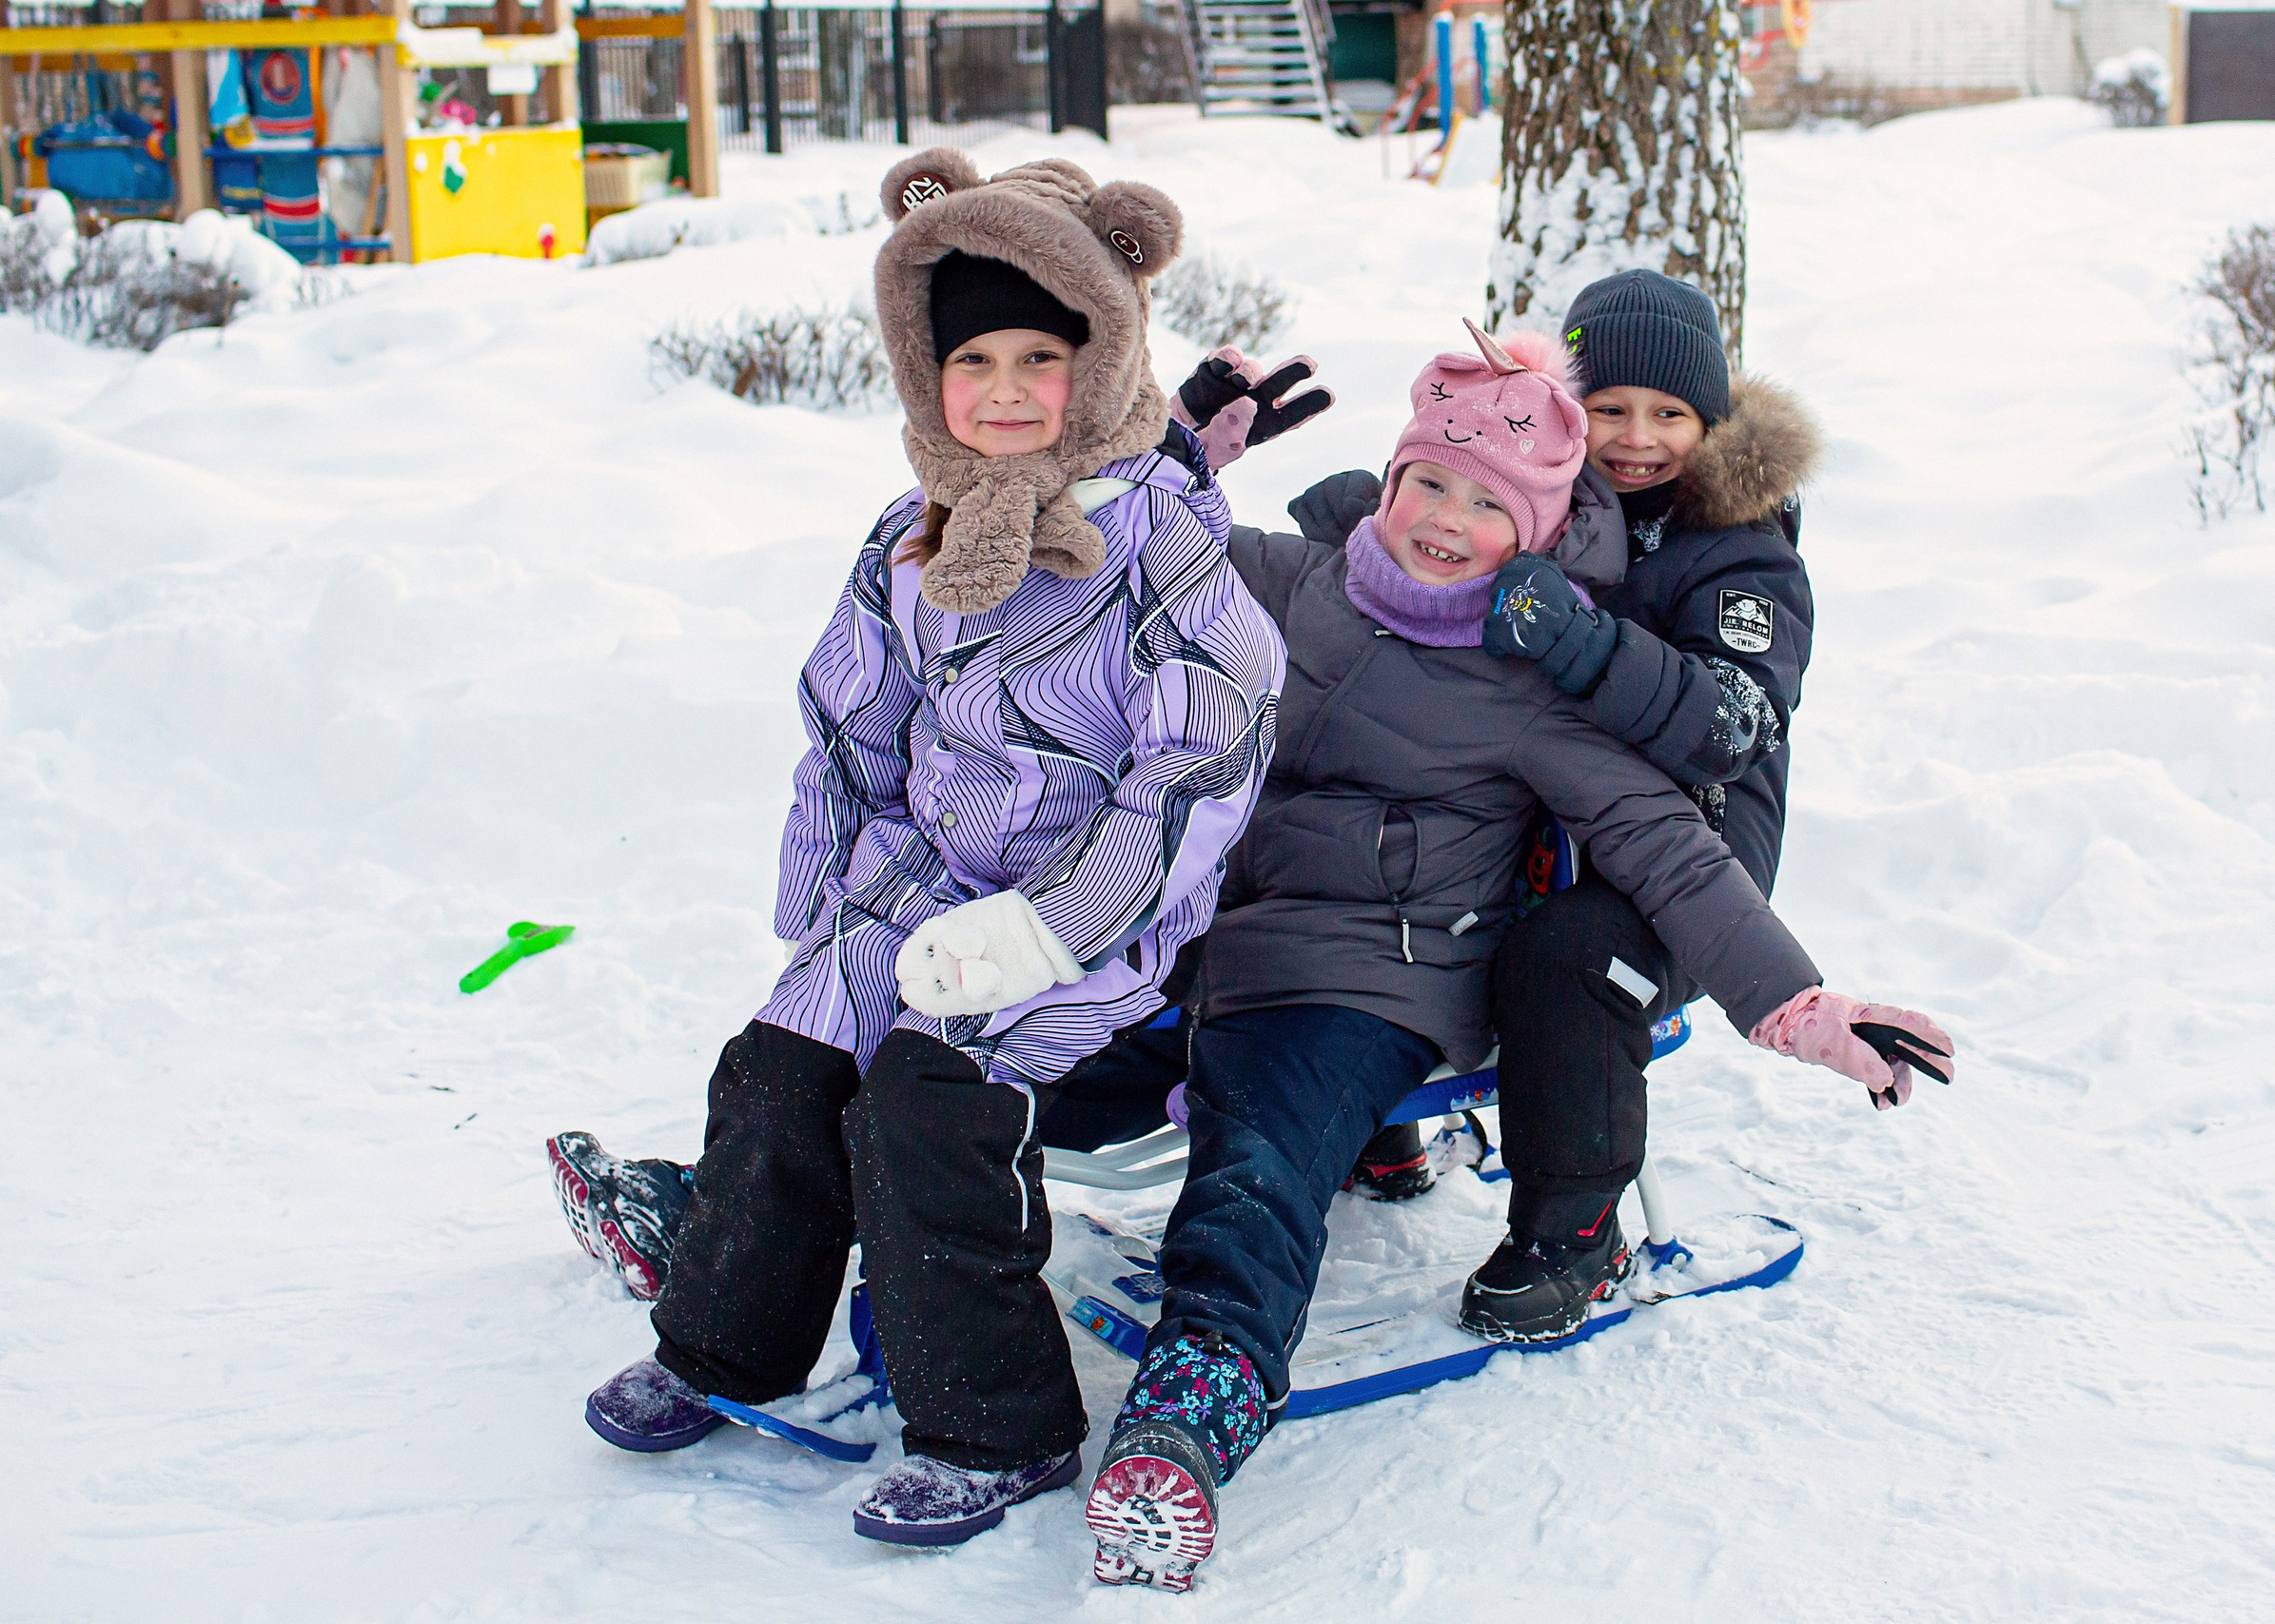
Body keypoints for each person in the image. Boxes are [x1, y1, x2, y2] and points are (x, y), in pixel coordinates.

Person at [1078, 321, 1953, 1593]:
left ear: (1536, 533)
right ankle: (762, 1201)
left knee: (1256, 1151)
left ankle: (1193, 1401)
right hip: (1194, 935)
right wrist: (1175, 453)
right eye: (1426, 480)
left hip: (1364, 973)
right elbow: (1128, 547)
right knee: (997, 1045)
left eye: (1488, 502)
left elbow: (1671, 848)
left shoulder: (1536, 683)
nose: (1443, 518)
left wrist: (1802, 1004)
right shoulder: (1301, 578)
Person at [572, 147, 1286, 1552]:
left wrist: (1046, 927)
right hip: (920, 887)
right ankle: (724, 1338)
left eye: (1043, 354)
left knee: (928, 1099)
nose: (1010, 389)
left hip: (1099, 920)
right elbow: (851, 716)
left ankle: (995, 1421)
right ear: (922, 368)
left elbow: (1202, 753)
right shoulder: (910, 538)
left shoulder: (1163, 543)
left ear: (1105, 354)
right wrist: (838, 894)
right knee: (781, 1064)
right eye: (974, 359)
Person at [1278, 269, 1833, 1340]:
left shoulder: (1741, 553)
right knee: (1364, 882)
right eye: (1610, 409)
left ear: (1709, 421)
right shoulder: (1540, 494)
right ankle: (1366, 1124)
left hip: (1676, 858)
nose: (1635, 438)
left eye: (1668, 414)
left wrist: (1590, 645)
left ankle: (1573, 1233)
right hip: (1517, 817)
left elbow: (1728, 724)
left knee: (1562, 959)